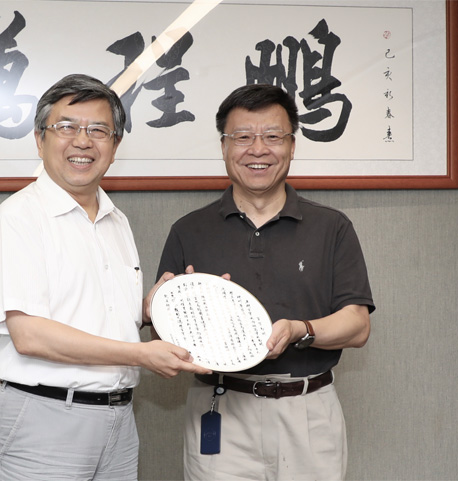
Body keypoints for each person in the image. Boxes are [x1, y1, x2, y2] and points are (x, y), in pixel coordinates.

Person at [0, 73, 209, 480]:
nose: (83, 141)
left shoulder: (115, 220)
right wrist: (140, 354)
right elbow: (29, 335)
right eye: (67, 127)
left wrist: (157, 307)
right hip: (45, 420)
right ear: (39, 139)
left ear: (115, 146)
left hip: (119, 421)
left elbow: (99, 313)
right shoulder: (19, 217)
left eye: (98, 130)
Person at [154, 84, 375, 480]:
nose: (258, 149)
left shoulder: (332, 227)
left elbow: (357, 325)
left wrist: (299, 330)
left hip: (308, 409)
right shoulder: (189, 230)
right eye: (243, 137)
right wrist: (173, 312)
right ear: (224, 146)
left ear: (292, 146)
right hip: (221, 405)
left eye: (273, 136)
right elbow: (160, 333)